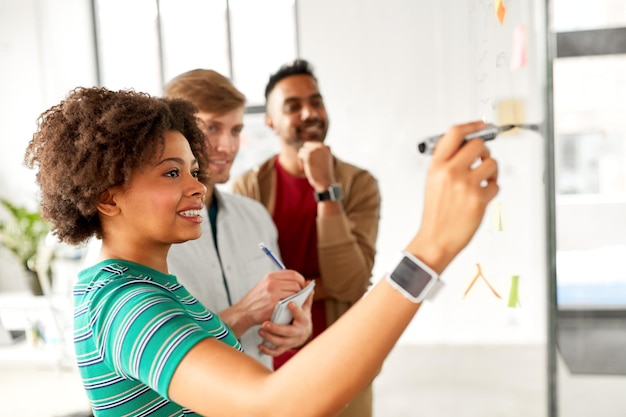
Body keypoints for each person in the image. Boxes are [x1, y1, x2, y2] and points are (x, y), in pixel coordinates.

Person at [25, 85, 498, 417]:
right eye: (172, 173)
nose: (198, 187)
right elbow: (272, 405)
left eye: (194, 170)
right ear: (108, 197)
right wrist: (428, 249)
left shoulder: (152, 287)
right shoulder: (125, 302)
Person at [232, 59, 381, 415]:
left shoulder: (359, 184)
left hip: (341, 348)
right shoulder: (250, 188)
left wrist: (326, 190)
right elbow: (247, 284)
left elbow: (348, 283)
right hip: (272, 351)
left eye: (316, 101)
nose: (309, 113)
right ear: (270, 121)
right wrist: (322, 285)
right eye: (293, 106)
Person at [163, 69, 312, 369]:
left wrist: (297, 327)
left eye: (235, 130)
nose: (228, 147)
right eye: (212, 128)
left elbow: (275, 316)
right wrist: (243, 314)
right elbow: (165, 355)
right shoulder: (148, 235)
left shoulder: (256, 218)